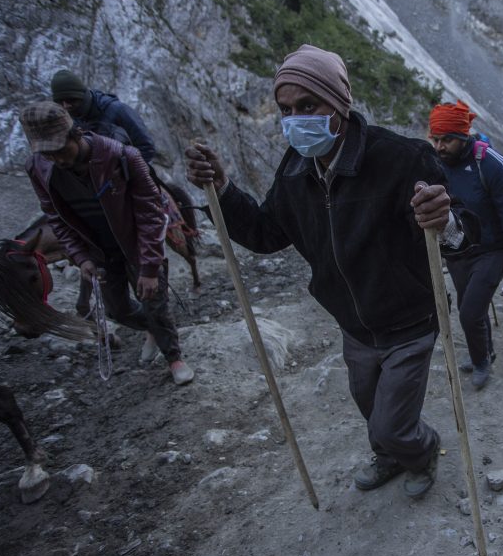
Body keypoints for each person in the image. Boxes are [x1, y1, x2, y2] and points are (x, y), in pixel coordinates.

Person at [184, 44, 474, 499]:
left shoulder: (402, 159)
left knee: (394, 422)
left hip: (409, 321)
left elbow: (458, 235)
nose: (296, 118)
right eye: (286, 109)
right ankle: (391, 453)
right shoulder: (295, 170)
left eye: (307, 106)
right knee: (368, 406)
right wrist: (221, 189)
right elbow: (264, 233)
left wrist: (444, 220)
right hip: (354, 326)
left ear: (338, 103)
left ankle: (420, 450)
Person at [18, 101, 194, 385]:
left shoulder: (122, 157)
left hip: (137, 244)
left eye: (61, 150)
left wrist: (149, 268)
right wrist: (81, 258)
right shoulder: (38, 169)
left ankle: (174, 358)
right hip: (98, 251)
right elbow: (56, 218)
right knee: (117, 310)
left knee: (154, 301)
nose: (58, 159)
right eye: (49, 154)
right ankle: (155, 329)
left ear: (75, 134)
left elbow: (151, 214)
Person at [428, 100, 503, 389]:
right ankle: (486, 350)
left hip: (490, 251)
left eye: (447, 139)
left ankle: (482, 362)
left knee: (470, 311)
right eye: (436, 139)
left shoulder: (493, 165)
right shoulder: (437, 164)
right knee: (470, 305)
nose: (440, 146)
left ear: (463, 136)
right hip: (457, 250)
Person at [50, 70, 158, 164]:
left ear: (83, 96)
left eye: (71, 100)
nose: (66, 106)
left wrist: (126, 173)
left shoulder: (118, 110)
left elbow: (146, 147)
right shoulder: (71, 121)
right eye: (60, 102)